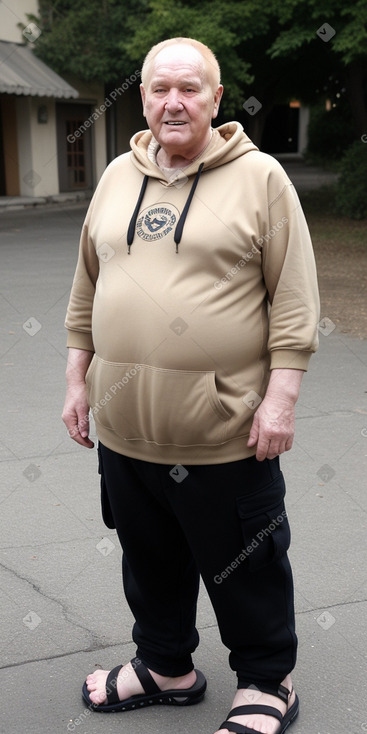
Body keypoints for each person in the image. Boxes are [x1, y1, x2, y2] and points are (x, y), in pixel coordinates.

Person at [62, 36, 320, 734]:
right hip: (125, 430)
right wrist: (77, 379)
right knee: (147, 559)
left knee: (246, 564)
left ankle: (268, 682)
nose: (172, 101)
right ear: (142, 96)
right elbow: (90, 282)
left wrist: (281, 398)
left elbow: (295, 300)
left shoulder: (260, 177)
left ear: (214, 98)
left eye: (189, 88)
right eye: (158, 88)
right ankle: (165, 666)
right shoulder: (118, 173)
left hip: (225, 430)